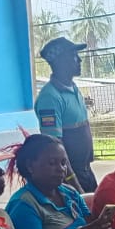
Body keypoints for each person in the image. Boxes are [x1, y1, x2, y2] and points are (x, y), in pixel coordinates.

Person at [35, 36, 97, 192]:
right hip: (71, 176)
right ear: (60, 62)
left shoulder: (74, 89)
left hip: (84, 171)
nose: (79, 60)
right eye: (74, 56)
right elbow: (54, 145)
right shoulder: (50, 97)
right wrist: (73, 183)